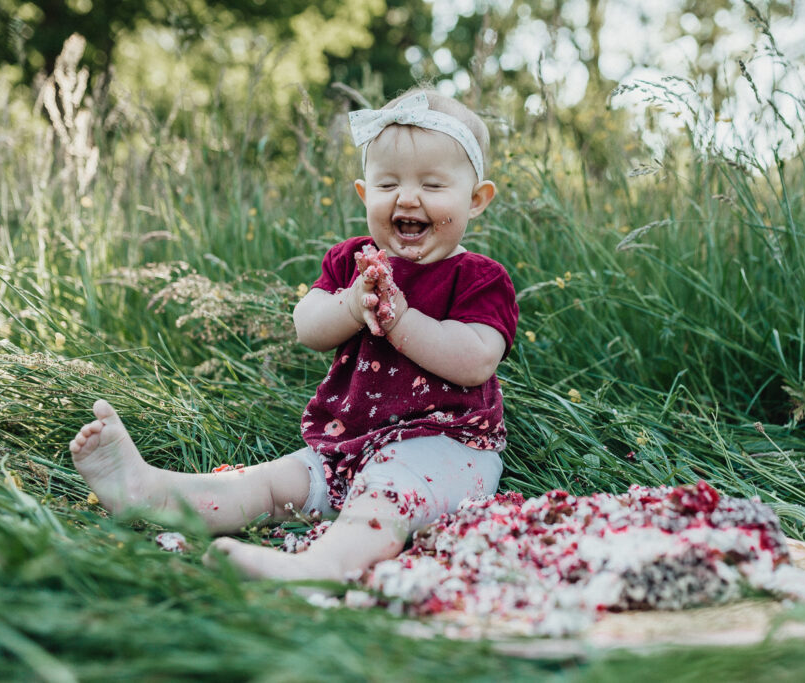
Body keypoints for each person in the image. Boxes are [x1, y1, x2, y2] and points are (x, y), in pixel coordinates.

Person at [69, 88, 518, 582]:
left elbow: (476, 360)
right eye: (388, 183)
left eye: (432, 185)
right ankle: (149, 493)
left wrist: (400, 321)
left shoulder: (479, 278)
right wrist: (350, 304)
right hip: (347, 444)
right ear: (365, 194)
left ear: (475, 201)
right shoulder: (351, 261)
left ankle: (318, 568)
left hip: (446, 447)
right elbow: (307, 326)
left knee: (382, 498)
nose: (407, 198)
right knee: (264, 485)